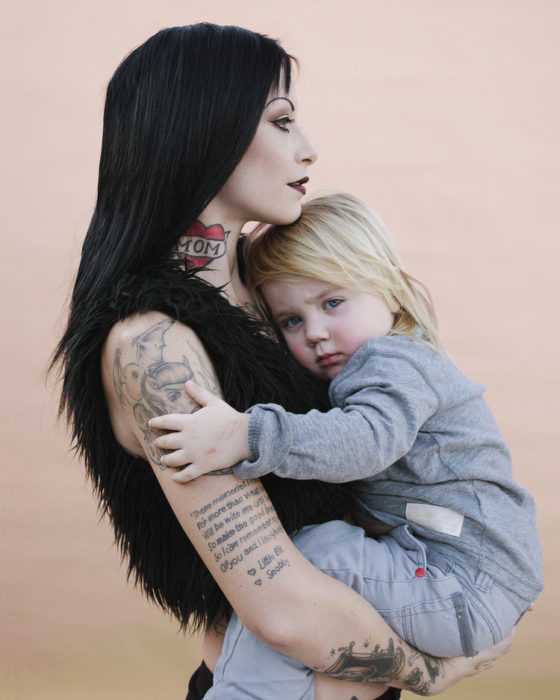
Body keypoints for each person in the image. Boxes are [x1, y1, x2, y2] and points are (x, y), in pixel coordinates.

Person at [51, 24, 514, 700]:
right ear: (208, 132)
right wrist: (434, 671)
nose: (308, 149)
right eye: (281, 122)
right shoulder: (154, 345)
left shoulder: (271, 293)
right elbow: (282, 609)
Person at [151, 192, 542, 695]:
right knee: (303, 591)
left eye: (332, 303)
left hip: (462, 585)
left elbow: (367, 440)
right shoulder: (369, 367)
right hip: (464, 581)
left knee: (306, 559)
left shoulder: (394, 362)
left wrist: (247, 435)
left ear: (391, 292)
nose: (315, 332)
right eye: (291, 320)